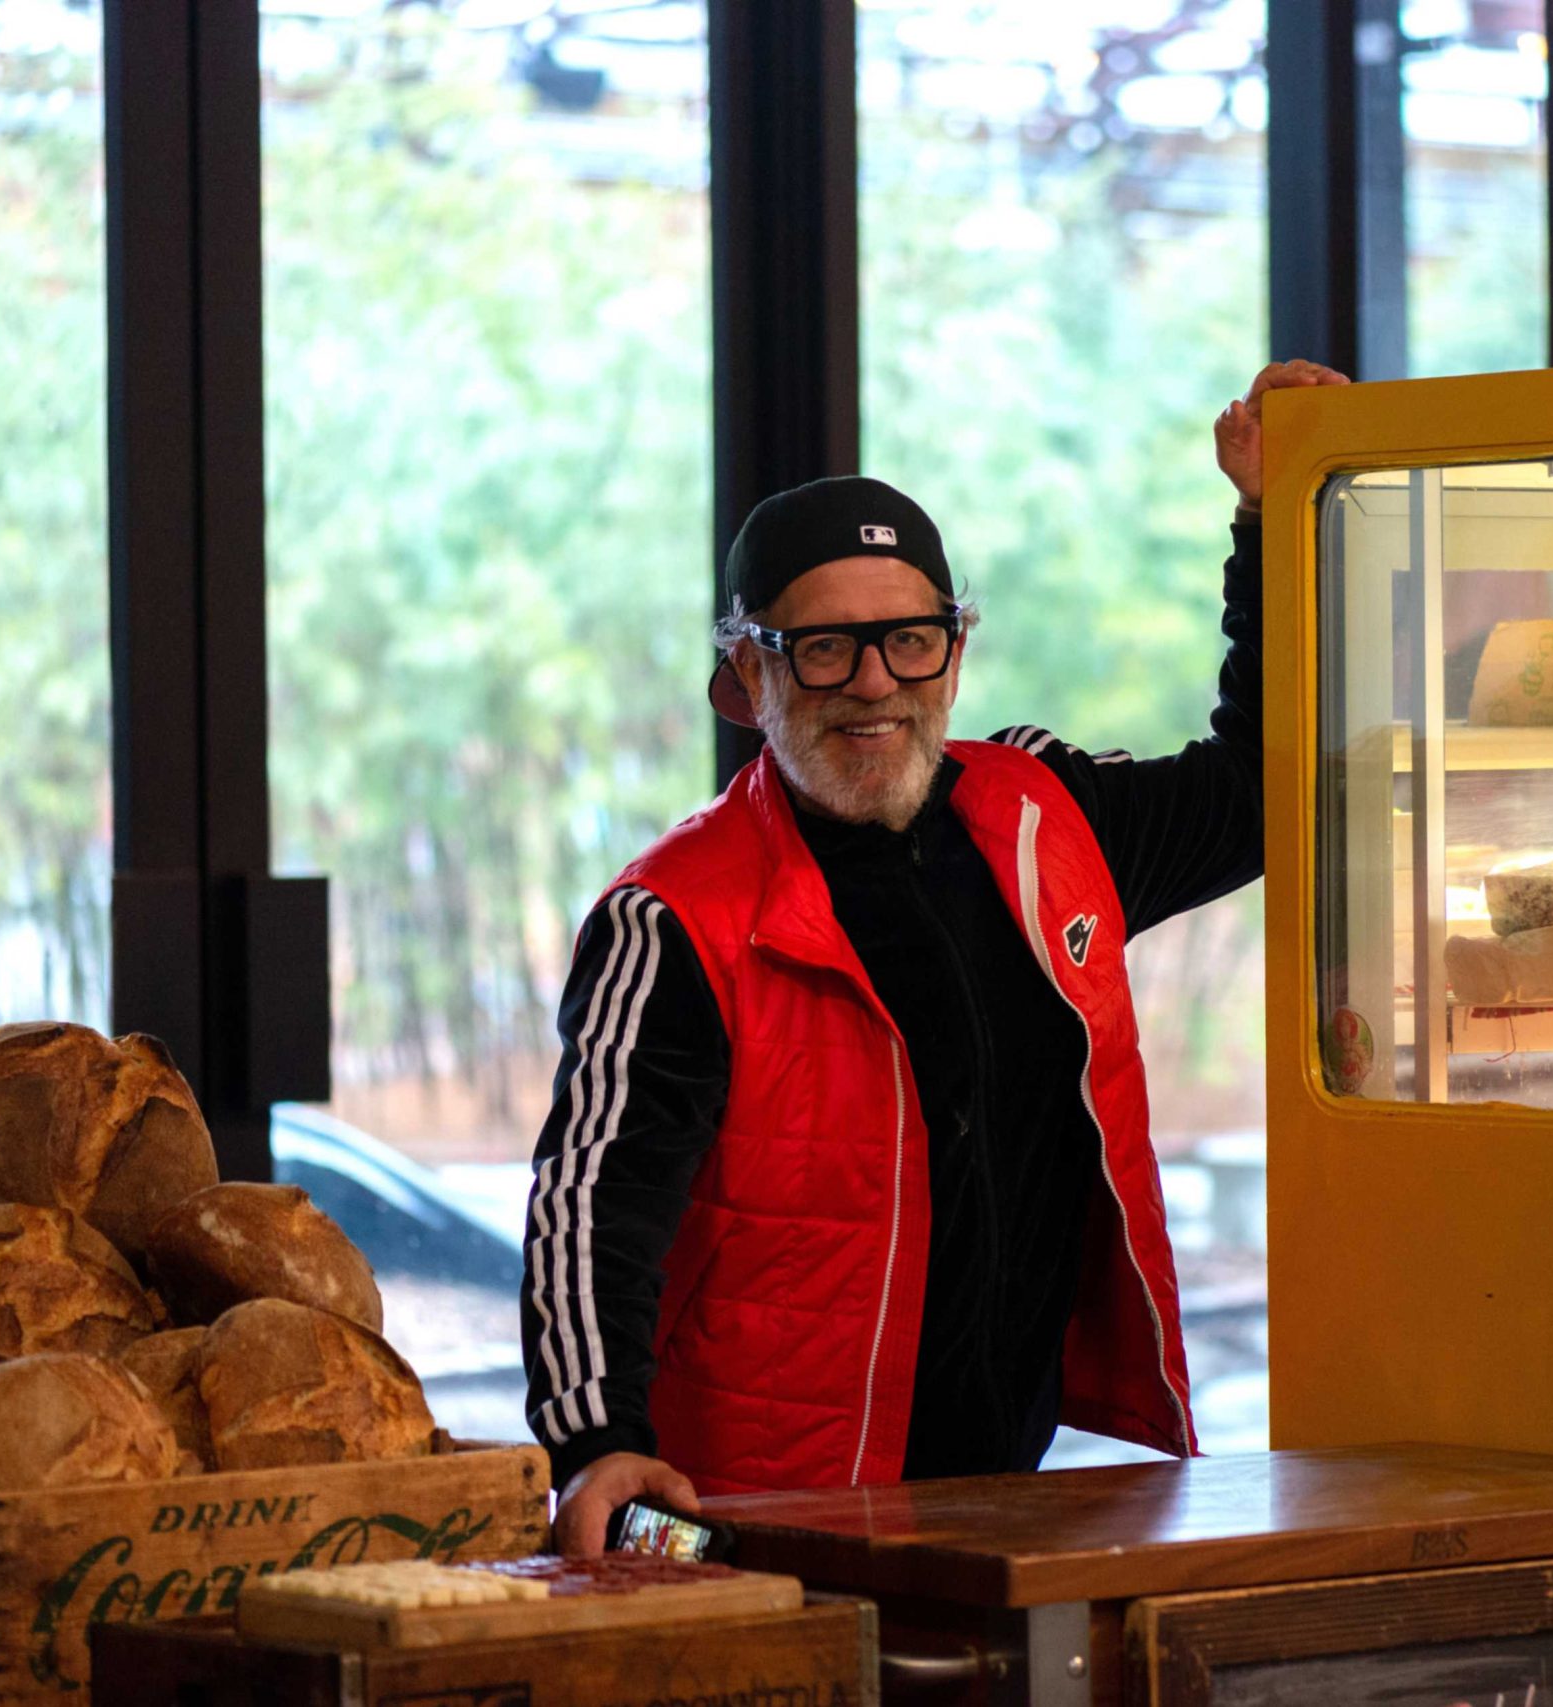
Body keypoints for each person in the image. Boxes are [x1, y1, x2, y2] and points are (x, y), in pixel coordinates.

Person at [523, 359, 1349, 1552]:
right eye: (822, 650)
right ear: (749, 674)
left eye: (908, 640)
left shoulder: (1044, 820)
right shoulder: (675, 916)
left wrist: (1274, 522)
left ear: (952, 653)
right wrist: (596, 1442)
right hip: (760, 1520)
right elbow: (592, 1205)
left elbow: (1258, 792)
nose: (873, 684)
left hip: (1003, 1503)